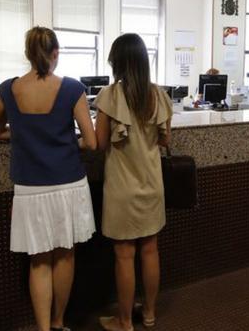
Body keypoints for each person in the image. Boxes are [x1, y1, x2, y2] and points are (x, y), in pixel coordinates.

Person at [0, 27, 97, 331]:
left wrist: (21, 134)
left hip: (29, 186)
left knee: (39, 261)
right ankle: (59, 321)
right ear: (56, 53)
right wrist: (67, 141)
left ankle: (42, 329)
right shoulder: (73, 89)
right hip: (68, 182)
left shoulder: (9, 89)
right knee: (64, 255)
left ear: (27, 54)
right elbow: (90, 142)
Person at [94, 33, 173, 331]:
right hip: (153, 186)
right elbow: (165, 140)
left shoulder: (110, 96)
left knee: (124, 254)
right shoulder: (160, 96)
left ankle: (125, 320)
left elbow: (100, 143)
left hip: (122, 188)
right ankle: (150, 314)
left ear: (118, 63)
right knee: (150, 249)